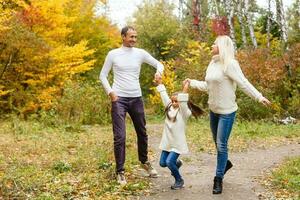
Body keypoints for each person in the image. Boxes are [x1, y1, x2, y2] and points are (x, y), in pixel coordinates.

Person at [184, 35, 271, 194]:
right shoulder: (212, 63)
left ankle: (218, 179)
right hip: (214, 111)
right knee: (218, 144)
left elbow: (243, 83)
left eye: (214, 43)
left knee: (221, 144)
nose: (211, 45)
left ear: (222, 47)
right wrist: (192, 82)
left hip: (227, 112)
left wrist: (259, 97)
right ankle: (225, 164)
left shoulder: (230, 64)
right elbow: (208, 85)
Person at [99, 26, 164, 185]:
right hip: (119, 99)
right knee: (120, 136)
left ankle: (144, 162)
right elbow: (102, 75)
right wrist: (110, 92)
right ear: (123, 37)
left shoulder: (140, 53)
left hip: (136, 98)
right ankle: (120, 171)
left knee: (142, 132)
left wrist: (158, 73)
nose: (134, 40)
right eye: (131, 37)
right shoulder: (113, 54)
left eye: (135, 37)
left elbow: (159, 64)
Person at [155, 74, 204, 190]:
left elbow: (182, 101)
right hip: (168, 143)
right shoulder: (169, 107)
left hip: (177, 143)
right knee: (163, 163)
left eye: (176, 101)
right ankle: (177, 164)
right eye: (172, 101)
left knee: (169, 162)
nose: (173, 103)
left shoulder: (184, 113)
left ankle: (179, 180)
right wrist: (159, 82)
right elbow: (163, 95)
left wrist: (185, 88)